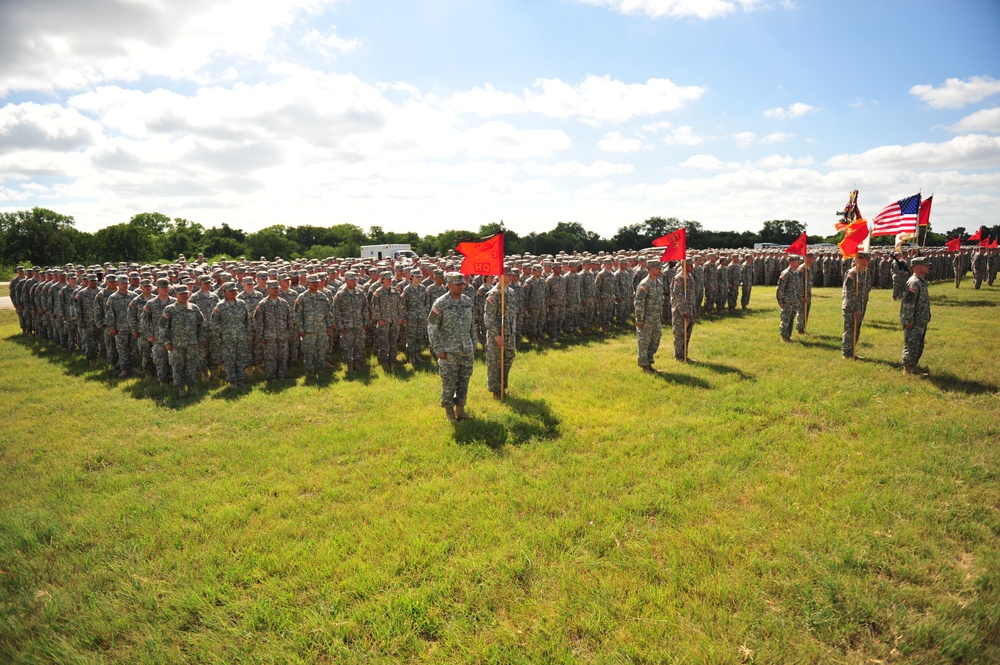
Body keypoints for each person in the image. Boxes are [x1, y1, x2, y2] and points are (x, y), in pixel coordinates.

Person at [427, 272, 476, 422]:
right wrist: (438, 350)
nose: (461, 286)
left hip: (466, 350)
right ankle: (449, 411)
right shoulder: (440, 303)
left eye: (462, 284)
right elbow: (432, 326)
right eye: (457, 284)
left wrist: (474, 343)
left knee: (464, 381)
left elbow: (472, 325)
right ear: (448, 285)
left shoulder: (467, 301)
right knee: (448, 382)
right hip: (448, 352)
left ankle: (460, 409)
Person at [159, 284, 205, 397]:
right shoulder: (169, 309)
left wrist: (199, 338)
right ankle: (181, 389)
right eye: (181, 294)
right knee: (177, 366)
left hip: (192, 344)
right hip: (176, 344)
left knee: (191, 366)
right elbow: (162, 326)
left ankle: (192, 387)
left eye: (186, 293)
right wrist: (167, 342)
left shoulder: (194, 308)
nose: (184, 295)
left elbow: (201, 324)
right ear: (175, 295)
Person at [484, 268, 517, 398]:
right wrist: (496, 335)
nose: (510, 277)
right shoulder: (494, 294)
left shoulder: (511, 292)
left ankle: (503, 386)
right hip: (497, 335)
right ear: (500, 276)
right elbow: (488, 318)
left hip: (509, 333)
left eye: (511, 275)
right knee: (495, 363)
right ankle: (495, 390)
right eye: (508, 275)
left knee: (508, 360)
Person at [211, 282, 250, 387]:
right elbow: (214, 323)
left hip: (241, 337)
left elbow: (247, 320)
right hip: (227, 339)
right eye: (230, 291)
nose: (233, 292)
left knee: (241, 359)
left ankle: (240, 380)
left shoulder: (242, 304)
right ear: (224, 292)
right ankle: (232, 381)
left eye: (235, 290)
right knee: (229, 361)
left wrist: (246, 334)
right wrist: (220, 338)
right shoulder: (220, 306)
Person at [900, 256, 932, 376]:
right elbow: (908, 303)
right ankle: (908, 370)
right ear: (917, 267)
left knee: (918, 345)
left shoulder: (920, 281)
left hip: (920, 320)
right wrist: (909, 320)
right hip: (913, 321)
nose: (928, 267)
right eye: (926, 265)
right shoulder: (914, 282)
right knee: (911, 345)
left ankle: (913, 368)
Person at [633, 258, 664, 372]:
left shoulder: (659, 283)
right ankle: (644, 365)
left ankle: (649, 362)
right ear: (650, 269)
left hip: (656, 318)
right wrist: (639, 320)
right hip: (646, 319)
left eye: (660, 268)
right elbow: (639, 302)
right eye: (657, 268)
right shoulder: (645, 284)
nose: (660, 270)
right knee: (644, 342)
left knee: (655, 341)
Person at [841, 252, 872, 359]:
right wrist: (856, 308)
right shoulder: (852, 273)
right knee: (850, 330)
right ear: (859, 259)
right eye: (867, 258)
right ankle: (847, 353)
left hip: (861, 306)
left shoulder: (864, 273)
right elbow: (849, 292)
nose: (869, 260)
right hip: (852, 307)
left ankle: (852, 352)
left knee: (856, 330)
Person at [671, 258, 697, 361]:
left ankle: (685, 355)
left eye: (692, 264)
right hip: (680, 312)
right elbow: (677, 296)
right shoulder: (679, 279)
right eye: (690, 265)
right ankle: (678, 356)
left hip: (690, 310)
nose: (692, 267)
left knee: (687, 335)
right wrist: (684, 312)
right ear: (684, 266)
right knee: (679, 334)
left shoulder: (689, 277)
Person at [776, 255, 805, 343]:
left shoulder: (796, 273)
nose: (799, 262)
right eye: (797, 261)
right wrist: (780, 301)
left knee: (791, 318)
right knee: (785, 319)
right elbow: (780, 288)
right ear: (791, 262)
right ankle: (784, 337)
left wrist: (801, 296)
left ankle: (788, 336)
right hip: (787, 301)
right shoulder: (786, 273)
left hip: (794, 300)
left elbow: (798, 286)